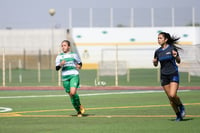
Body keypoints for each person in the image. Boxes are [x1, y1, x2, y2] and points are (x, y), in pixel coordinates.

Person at [153, 32, 185, 121]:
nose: (158, 40)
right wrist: (155, 62)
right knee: (170, 98)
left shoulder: (172, 48)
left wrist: (176, 56)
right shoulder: (157, 51)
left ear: (166, 39)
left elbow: (178, 61)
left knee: (172, 94)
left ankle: (181, 106)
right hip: (164, 76)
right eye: (158, 38)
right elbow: (156, 64)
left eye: (160, 38)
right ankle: (178, 115)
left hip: (173, 74)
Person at [55, 40, 85, 117]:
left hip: (74, 75)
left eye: (64, 45)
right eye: (62, 46)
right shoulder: (59, 57)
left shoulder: (74, 55)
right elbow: (57, 68)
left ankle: (79, 108)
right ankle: (79, 109)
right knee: (71, 95)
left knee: (73, 92)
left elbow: (80, 63)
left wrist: (79, 66)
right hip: (65, 77)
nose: (63, 47)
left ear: (69, 47)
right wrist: (61, 65)